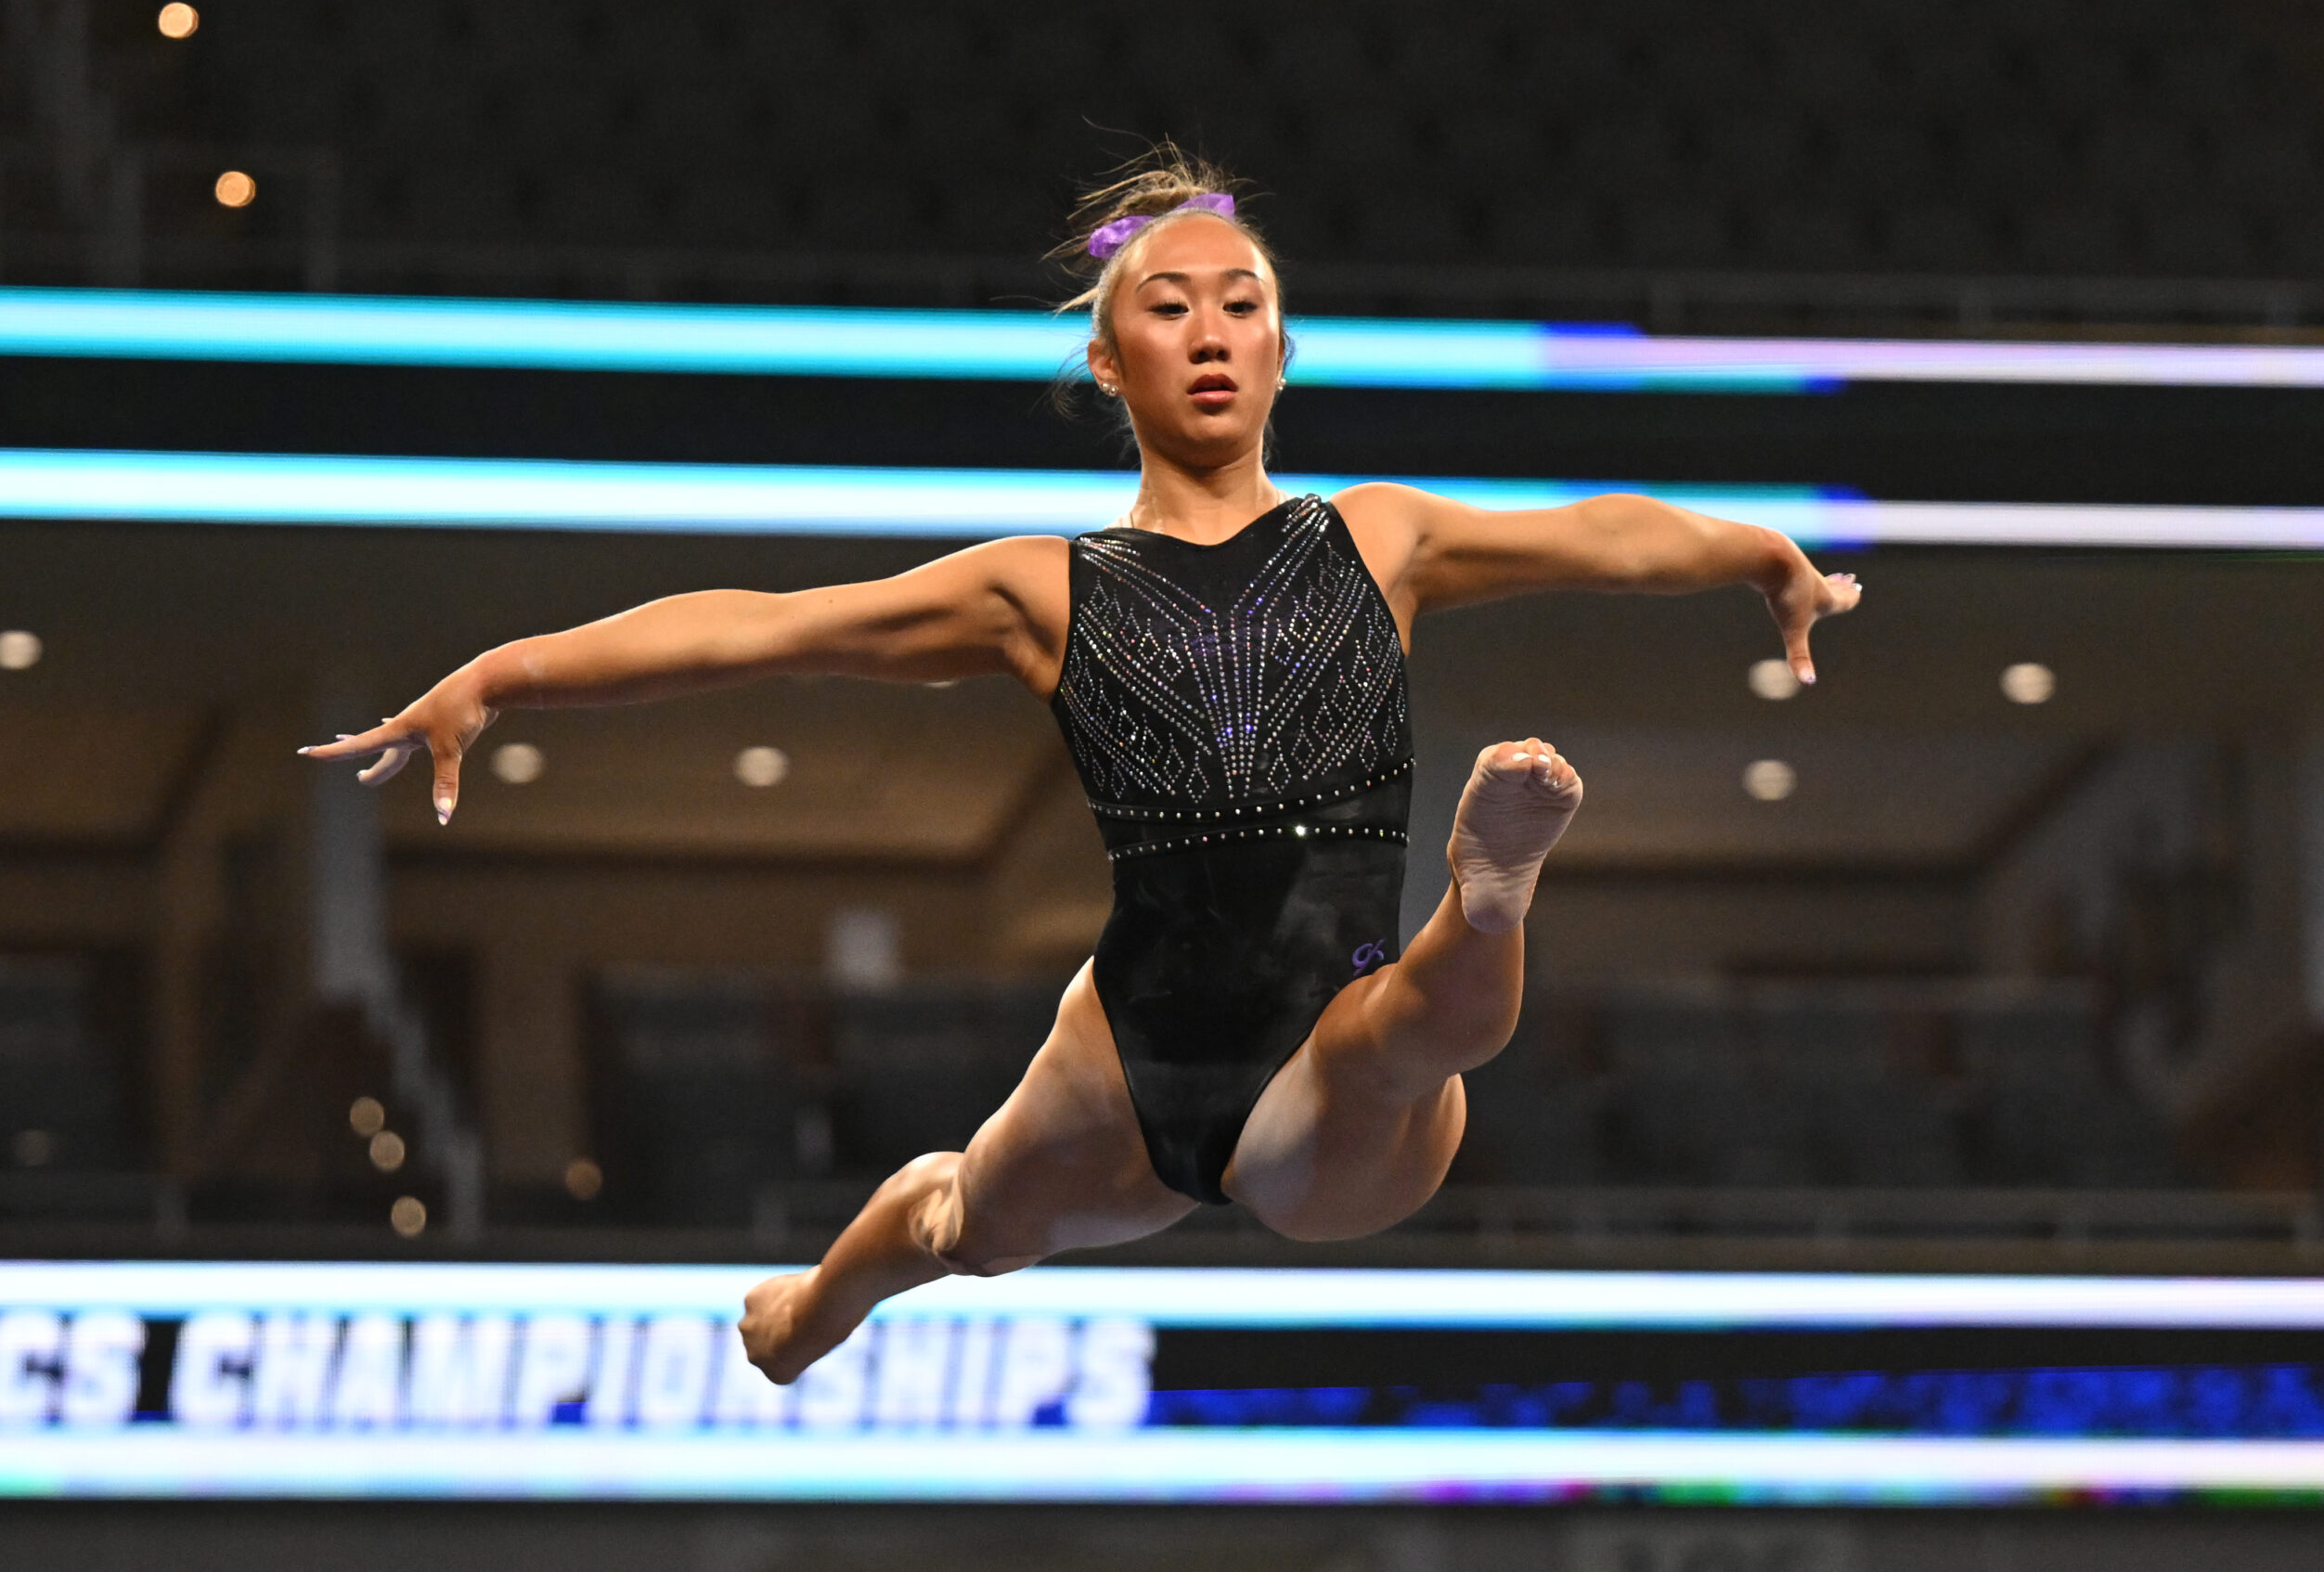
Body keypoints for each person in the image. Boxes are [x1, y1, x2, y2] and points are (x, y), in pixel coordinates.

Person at [303, 148, 1860, 1383]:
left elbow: (1599, 529)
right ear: (1110, 363)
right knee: (963, 1221)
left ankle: (1493, 891)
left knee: (1403, 1035)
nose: (1209, 332)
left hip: (1344, 1036)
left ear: (1281, 349)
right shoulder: (1041, 589)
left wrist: (1754, 550)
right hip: (1134, 1040)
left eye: (1240, 302)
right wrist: (502, 676)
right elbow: (764, 628)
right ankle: (807, 1312)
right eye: (1169, 306)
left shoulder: (1380, 536)